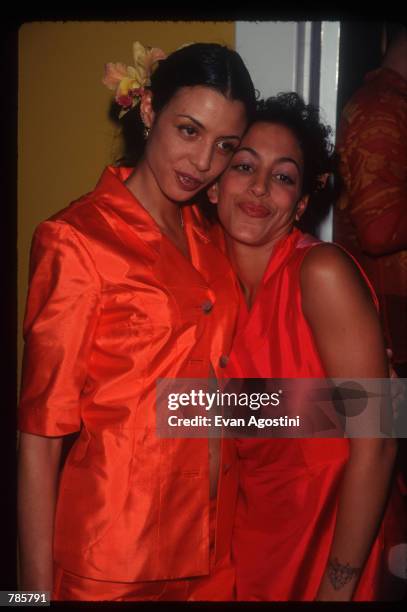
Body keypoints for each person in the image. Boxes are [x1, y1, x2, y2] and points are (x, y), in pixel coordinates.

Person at [17, 41, 256, 601]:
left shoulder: (214, 241)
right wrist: (29, 597)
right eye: (189, 130)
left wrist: (360, 409)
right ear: (148, 111)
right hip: (113, 558)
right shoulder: (77, 239)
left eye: (225, 146)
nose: (203, 163)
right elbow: (39, 434)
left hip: (214, 551)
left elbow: (212, 399)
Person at [207, 92, 406, 601]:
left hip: (334, 546)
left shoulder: (321, 274)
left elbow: (378, 443)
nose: (258, 187)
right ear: (214, 186)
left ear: (299, 204)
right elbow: (189, 410)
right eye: (244, 166)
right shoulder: (204, 285)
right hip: (250, 544)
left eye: (282, 175)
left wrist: (337, 590)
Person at [334, 23, 407, 378]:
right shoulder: (382, 109)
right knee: (383, 427)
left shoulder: (392, 104)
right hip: (388, 326)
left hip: (389, 322)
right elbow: (379, 230)